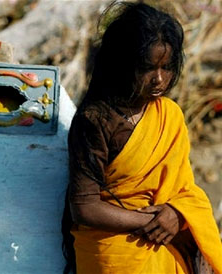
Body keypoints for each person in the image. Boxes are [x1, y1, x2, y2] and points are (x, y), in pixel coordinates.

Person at [61, 2, 222, 274]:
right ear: (122, 64)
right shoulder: (96, 120)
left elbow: (183, 189)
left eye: (167, 67)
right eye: (148, 68)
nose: (159, 79)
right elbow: (84, 208)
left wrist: (176, 214)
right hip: (114, 251)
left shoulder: (168, 115)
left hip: (164, 243)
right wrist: (150, 223)